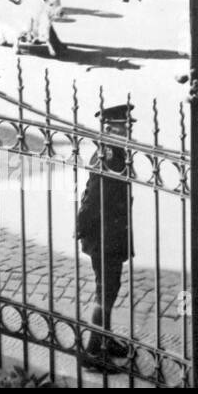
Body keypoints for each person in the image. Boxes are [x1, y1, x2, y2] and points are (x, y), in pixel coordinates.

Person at [76, 104, 135, 372]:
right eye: (124, 126)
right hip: (105, 236)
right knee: (106, 291)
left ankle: (105, 340)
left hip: (111, 234)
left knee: (109, 288)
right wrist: (83, 228)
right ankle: (93, 351)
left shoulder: (115, 152)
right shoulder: (109, 156)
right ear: (110, 128)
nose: (129, 130)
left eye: (128, 125)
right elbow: (93, 198)